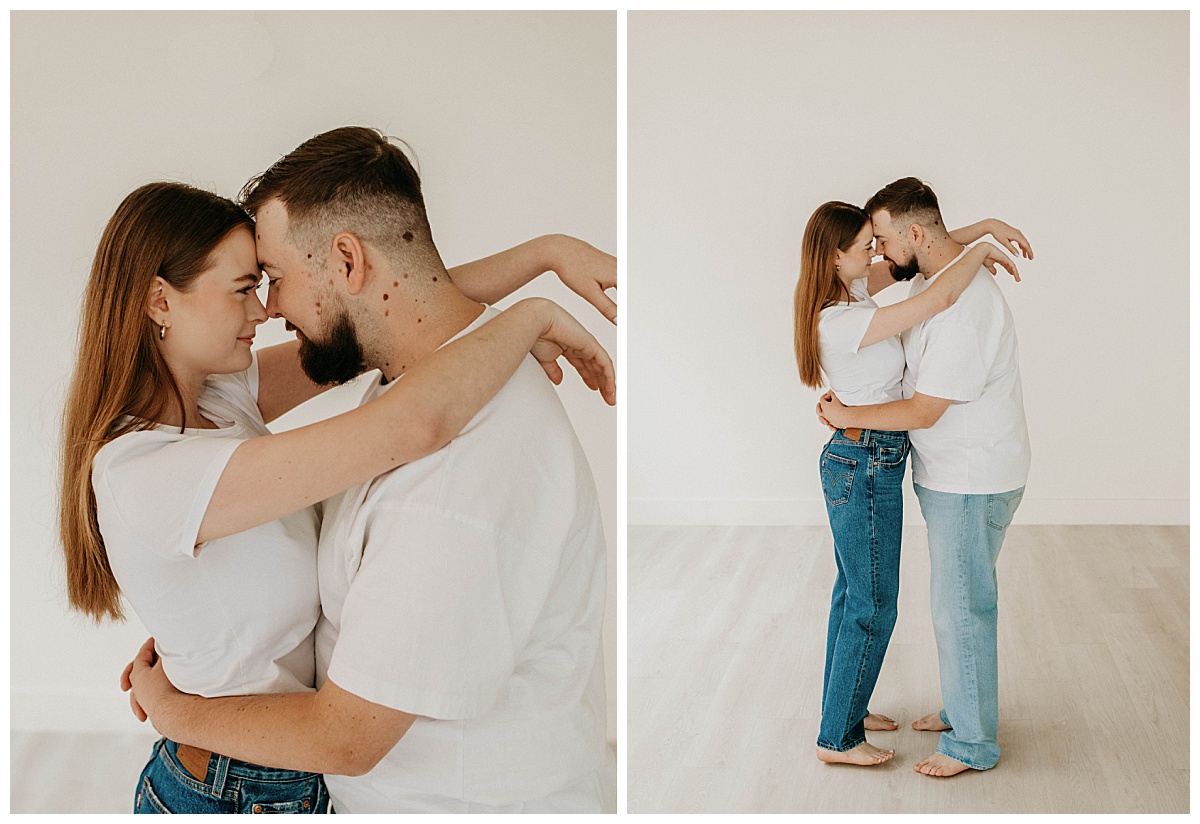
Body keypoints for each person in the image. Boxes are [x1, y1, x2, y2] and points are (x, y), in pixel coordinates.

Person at [61, 179, 615, 813]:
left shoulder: (217, 399)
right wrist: (529, 317)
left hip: (279, 767)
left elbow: (385, 313)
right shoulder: (150, 474)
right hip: (236, 783)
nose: (265, 310)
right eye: (245, 288)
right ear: (160, 300)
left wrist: (542, 254)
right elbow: (409, 426)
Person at [795, 200, 1024, 768]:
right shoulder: (843, 317)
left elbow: (921, 254)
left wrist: (983, 229)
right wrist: (982, 250)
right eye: (865, 244)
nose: (876, 251)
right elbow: (937, 291)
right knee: (871, 603)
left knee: (857, 595)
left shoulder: (853, 290)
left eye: (878, 240)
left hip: (872, 455)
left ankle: (850, 706)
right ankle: (838, 735)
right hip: (863, 458)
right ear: (837, 256)